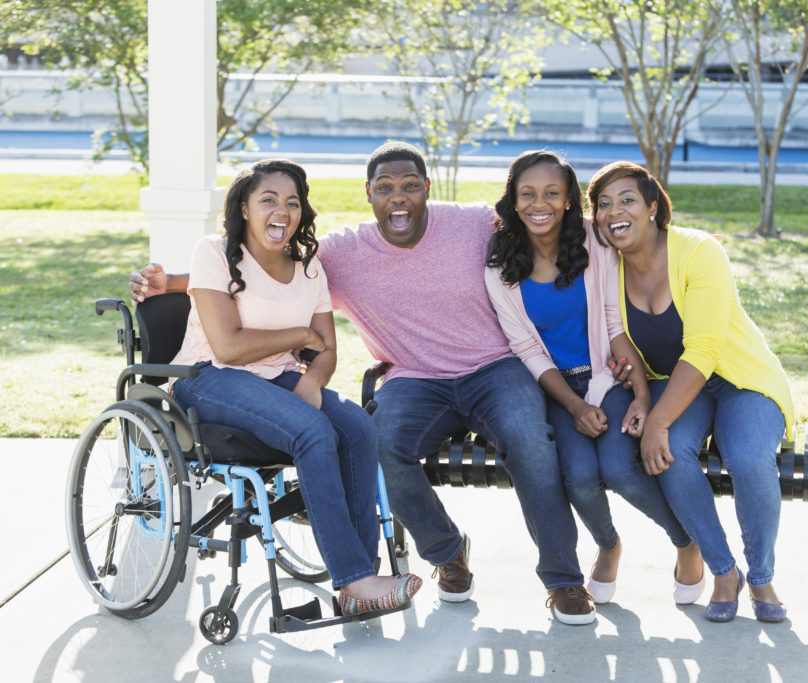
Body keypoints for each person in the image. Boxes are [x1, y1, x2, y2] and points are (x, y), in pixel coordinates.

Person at [130, 142, 596, 625]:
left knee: (524, 441)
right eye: (386, 188)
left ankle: (563, 580)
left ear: (427, 189)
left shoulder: (469, 224)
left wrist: (640, 241)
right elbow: (239, 274)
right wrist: (169, 283)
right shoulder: (336, 254)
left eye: (411, 186)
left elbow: (547, 220)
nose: (400, 198)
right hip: (407, 378)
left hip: (492, 369)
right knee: (379, 441)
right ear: (368, 194)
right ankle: (435, 555)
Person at [165, 159, 421, 616]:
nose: (281, 211)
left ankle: (361, 575)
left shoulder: (308, 267)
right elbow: (229, 346)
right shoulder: (214, 252)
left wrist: (313, 381)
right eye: (268, 200)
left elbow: (327, 350)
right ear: (244, 207)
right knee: (313, 431)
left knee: (359, 428)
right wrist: (299, 337)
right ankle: (355, 579)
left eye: (292, 202)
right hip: (206, 378)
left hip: (280, 378)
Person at [484, 150, 705, 606]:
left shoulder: (592, 242)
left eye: (551, 193)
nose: (538, 203)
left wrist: (641, 395)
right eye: (527, 194)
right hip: (558, 393)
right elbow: (526, 349)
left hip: (608, 380)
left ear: (568, 200)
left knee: (621, 469)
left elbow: (613, 323)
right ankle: (608, 544)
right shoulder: (499, 266)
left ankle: (685, 542)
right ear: (513, 199)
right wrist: (574, 406)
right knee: (580, 478)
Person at [587, 161, 795, 623]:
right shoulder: (608, 268)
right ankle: (724, 571)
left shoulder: (699, 250)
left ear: (654, 206)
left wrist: (658, 420)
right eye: (602, 204)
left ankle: (761, 577)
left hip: (741, 378)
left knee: (746, 457)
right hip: (678, 383)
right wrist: (645, 402)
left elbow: (704, 347)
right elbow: (620, 341)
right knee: (668, 454)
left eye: (627, 200)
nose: (613, 212)